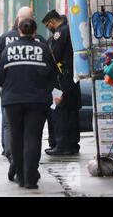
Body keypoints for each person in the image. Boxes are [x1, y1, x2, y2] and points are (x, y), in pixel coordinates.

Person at [0, 18, 56, 189]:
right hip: (37, 100)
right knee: (33, 137)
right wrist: (45, 90)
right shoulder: (43, 49)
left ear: (19, 30)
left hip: (13, 100)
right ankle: (30, 178)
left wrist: (3, 87)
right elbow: (53, 74)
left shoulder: (8, 49)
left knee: (16, 136)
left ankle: (20, 176)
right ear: (34, 32)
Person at [0, 7, 46, 167]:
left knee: (9, 125)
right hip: (35, 94)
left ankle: (12, 157)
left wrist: (0, 83)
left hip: (11, 92)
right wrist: (45, 89)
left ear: (17, 19)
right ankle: (30, 166)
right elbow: (51, 68)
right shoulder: (40, 41)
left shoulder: (4, 39)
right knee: (32, 133)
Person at [42, 9, 81, 156]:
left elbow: (54, 56)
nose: (49, 28)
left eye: (48, 25)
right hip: (72, 76)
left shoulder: (59, 33)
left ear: (52, 22)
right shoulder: (70, 28)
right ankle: (72, 144)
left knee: (58, 111)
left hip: (61, 79)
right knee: (71, 110)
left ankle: (62, 144)